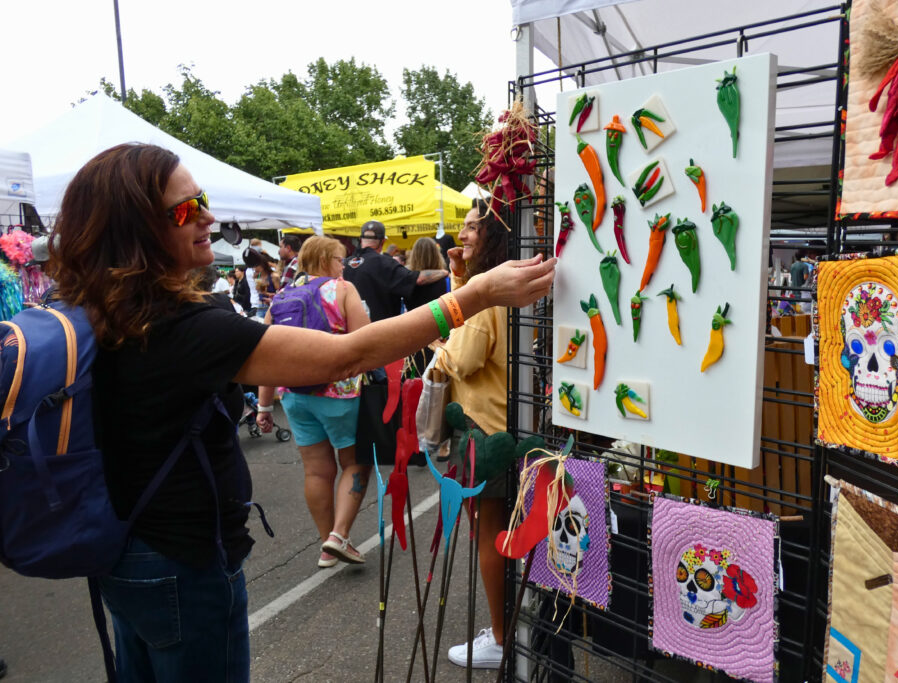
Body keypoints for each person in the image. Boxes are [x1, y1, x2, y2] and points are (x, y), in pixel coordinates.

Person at [46, 142, 555, 680]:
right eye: (184, 209)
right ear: (137, 230)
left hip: (122, 551)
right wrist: (471, 297)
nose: (209, 217)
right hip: (182, 561)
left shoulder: (93, 309)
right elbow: (348, 354)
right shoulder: (182, 326)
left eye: (204, 200)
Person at [256, 237, 371, 568]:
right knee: (353, 463)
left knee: (317, 470)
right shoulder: (341, 289)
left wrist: (264, 406)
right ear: (326, 259)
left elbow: (266, 354)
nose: (343, 265)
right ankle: (339, 535)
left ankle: (327, 546)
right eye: (340, 259)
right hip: (339, 393)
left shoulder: (280, 297)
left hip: (294, 394)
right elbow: (364, 340)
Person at [434, 200, 514, 669]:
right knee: (504, 533)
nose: (461, 236)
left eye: (470, 229)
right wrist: (460, 282)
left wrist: (438, 347)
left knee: (489, 535)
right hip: (505, 422)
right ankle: (509, 630)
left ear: (493, 235)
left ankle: (501, 640)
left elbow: (459, 357)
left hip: (482, 430)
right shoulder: (500, 285)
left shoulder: (487, 294)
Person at [343, 220, 449, 321]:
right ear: (383, 241)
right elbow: (418, 279)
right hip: (382, 331)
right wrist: (444, 272)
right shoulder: (386, 264)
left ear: (360, 239)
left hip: (350, 334)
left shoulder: (343, 265)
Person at [406, 237, 451, 373]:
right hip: (439, 334)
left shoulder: (408, 281)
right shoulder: (445, 281)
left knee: (416, 377)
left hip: (413, 335)